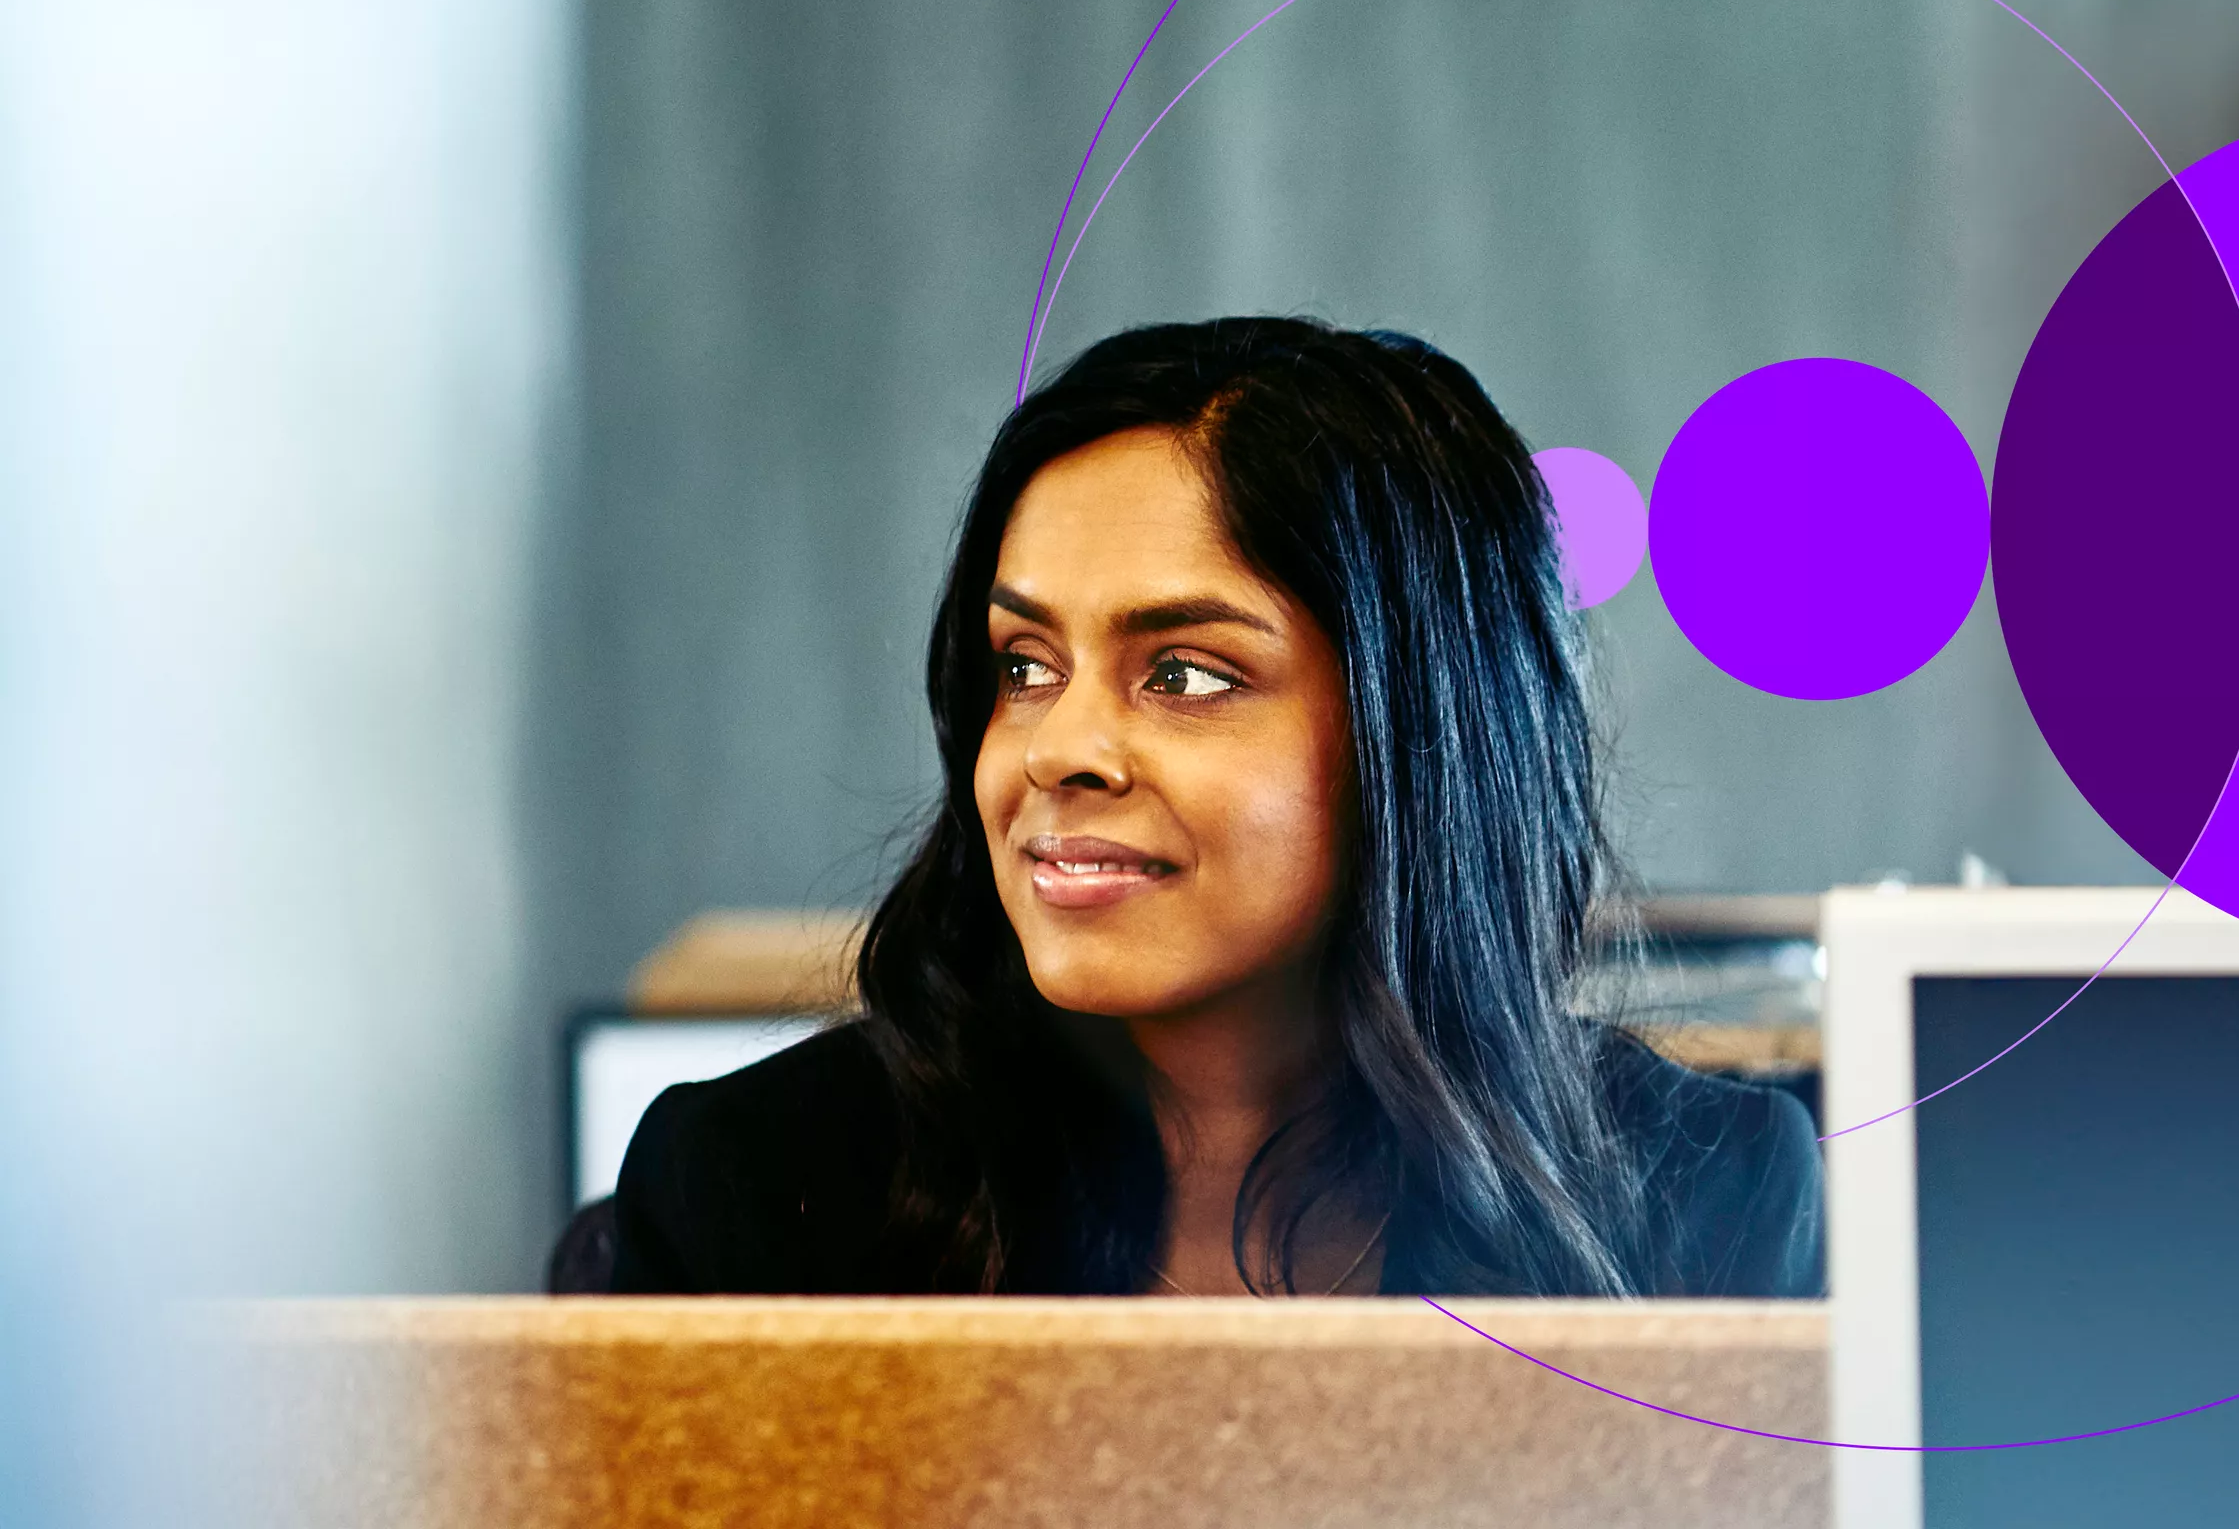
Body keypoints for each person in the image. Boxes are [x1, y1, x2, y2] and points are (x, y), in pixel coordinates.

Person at [604, 317, 1822, 1297]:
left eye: (1184, 674)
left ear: (1419, 737)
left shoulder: (1700, 1201)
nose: (1058, 750)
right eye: (1027, 666)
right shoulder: (759, 1189)